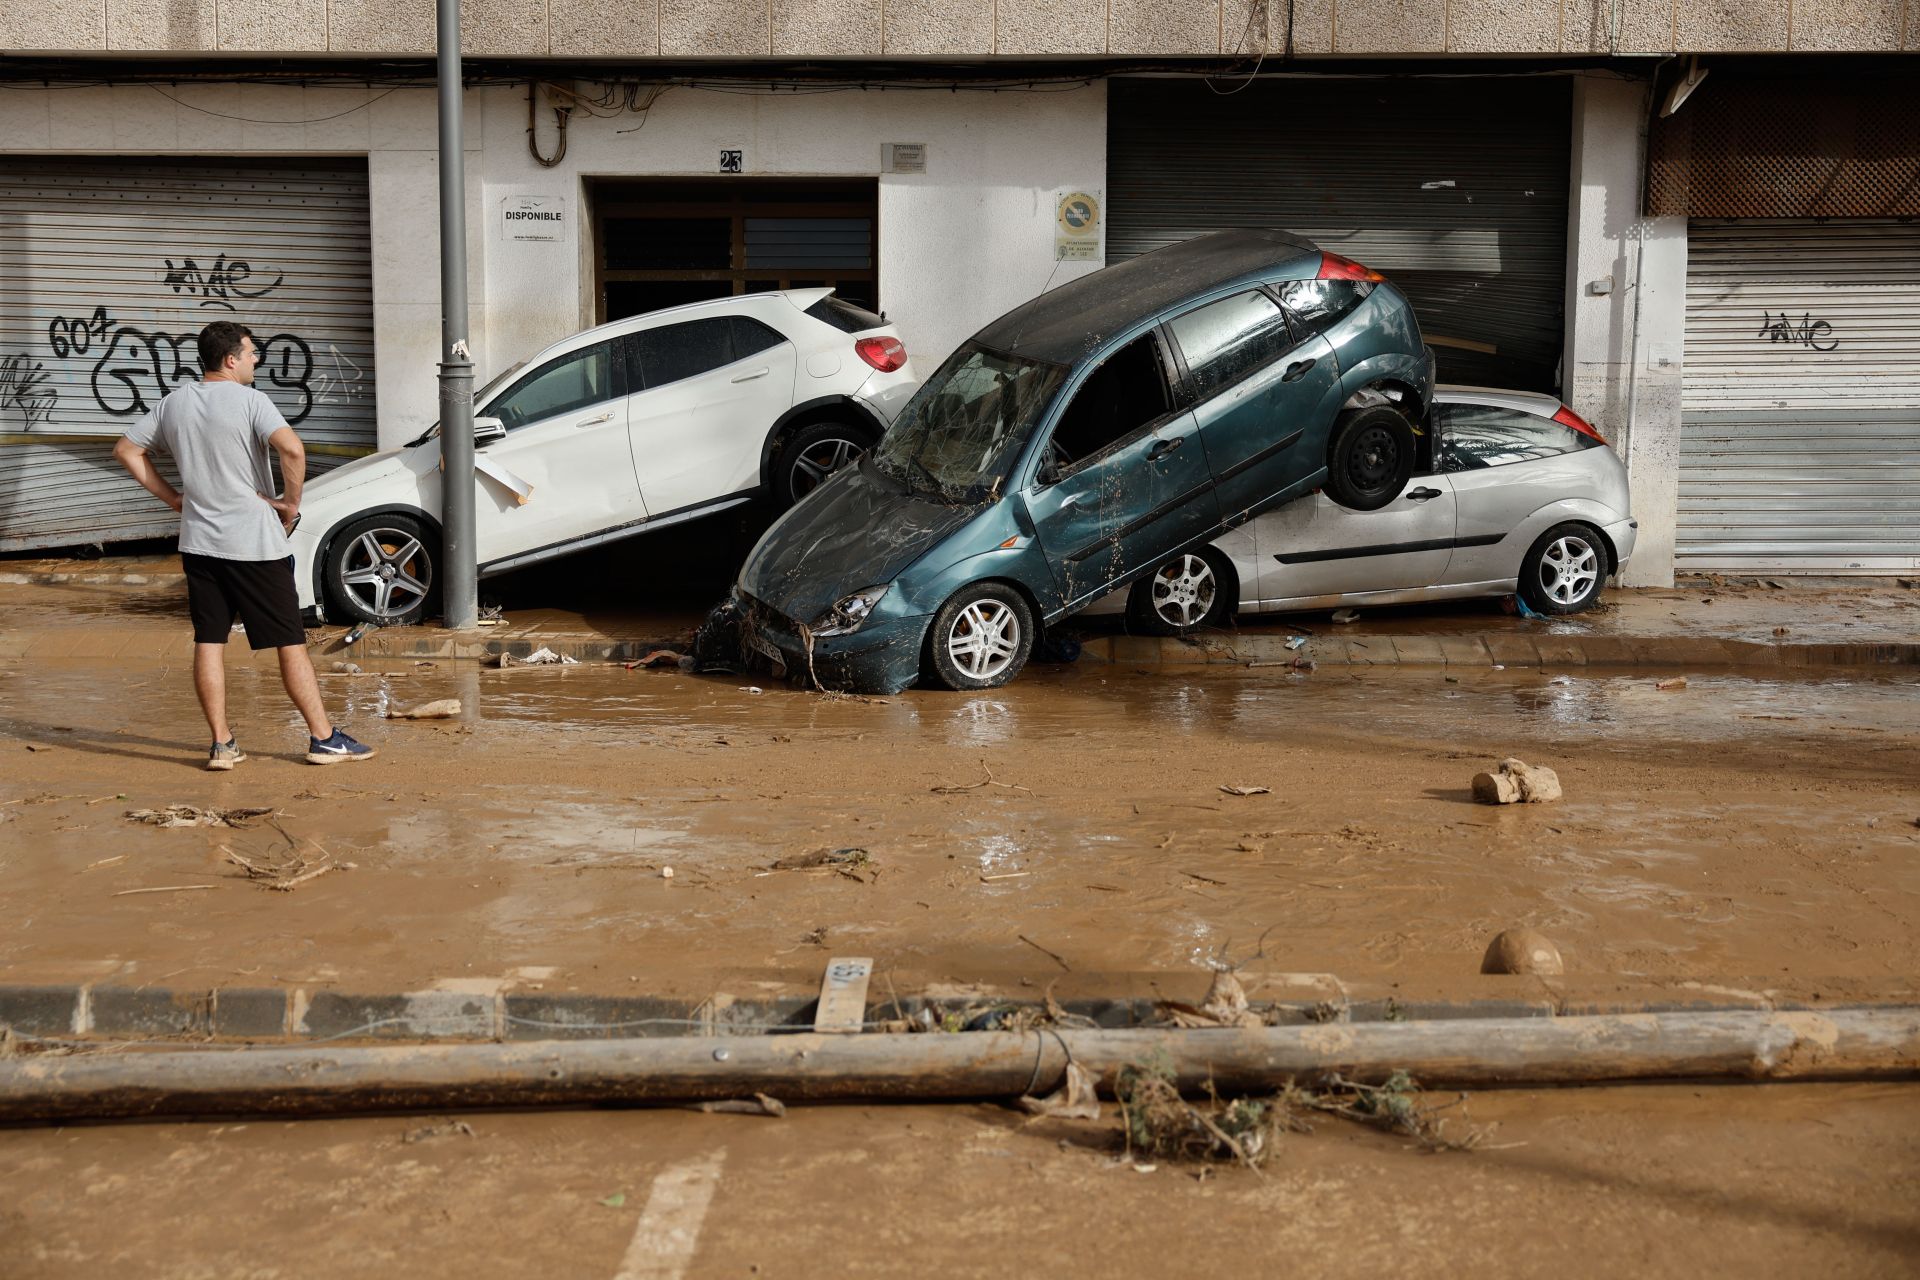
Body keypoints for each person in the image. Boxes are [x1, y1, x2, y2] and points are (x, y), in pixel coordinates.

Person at [113, 321, 376, 769]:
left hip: (199, 543)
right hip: (255, 544)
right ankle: (323, 738)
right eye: (252, 353)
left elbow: (126, 450)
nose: (257, 360)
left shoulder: (174, 403)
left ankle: (222, 745)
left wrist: (175, 498)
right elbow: (292, 450)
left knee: (209, 641)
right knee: (290, 642)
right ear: (230, 359)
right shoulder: (252, 400)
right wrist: (291, 504)